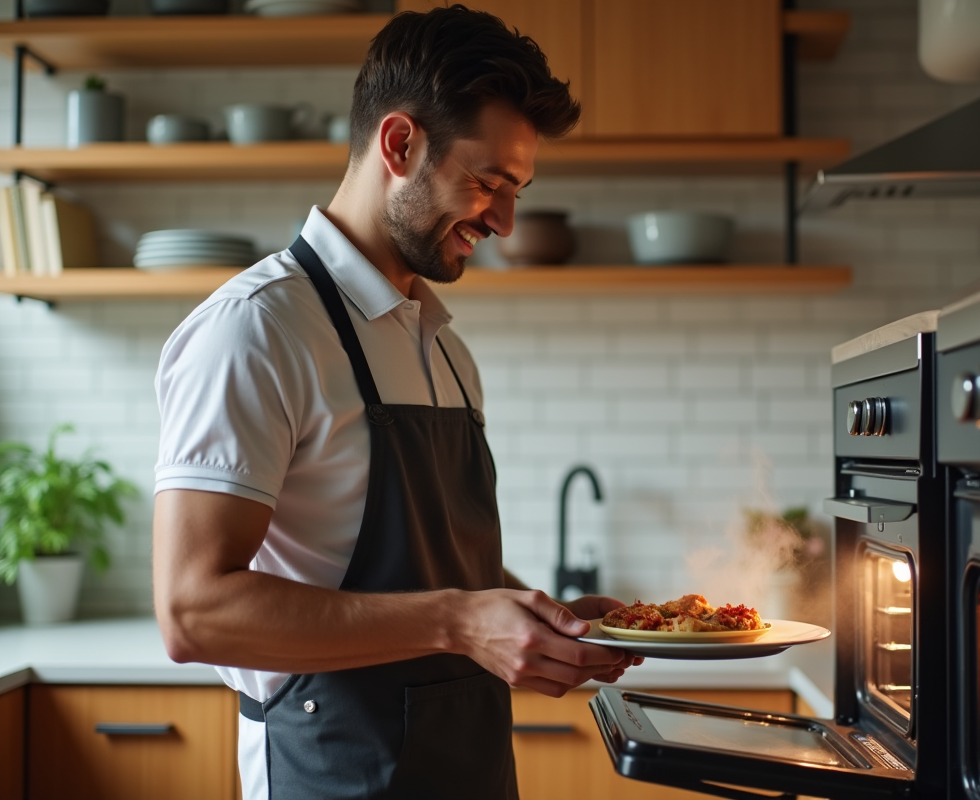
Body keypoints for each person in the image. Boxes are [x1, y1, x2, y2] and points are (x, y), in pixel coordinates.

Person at [151, 7, 637, 799]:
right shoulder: (258, 330)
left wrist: (543, 623)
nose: (505, 223)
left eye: (518, 191)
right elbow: (193, 611)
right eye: (488, 183)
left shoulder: (444, 346)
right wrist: (459, 622)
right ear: (400, 144)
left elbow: (442, 570)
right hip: (331, 769)